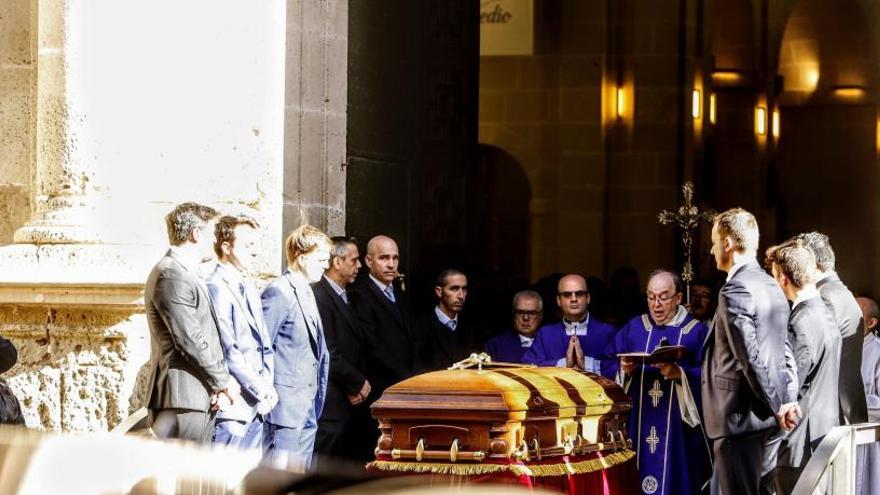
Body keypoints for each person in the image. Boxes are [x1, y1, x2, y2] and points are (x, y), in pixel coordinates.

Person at [701, 208, 796, 495]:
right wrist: (786, 400)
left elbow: (749, 358)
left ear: (728, 244)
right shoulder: (772, 285)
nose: (712, 248)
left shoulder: (735, 291)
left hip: (739, 419)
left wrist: (777, 406)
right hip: (765, 419)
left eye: (715, 241)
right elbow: (785, 351)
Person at [604, 269, 711, 495]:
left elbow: (711, 375)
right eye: (651, 297)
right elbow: (607, 362)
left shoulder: (696, 331)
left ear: (679, 298)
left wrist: (681, 374)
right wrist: (623, 370)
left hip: (678, 430)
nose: (656, 304)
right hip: (638, 423)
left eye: (663, 297)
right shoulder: (634, 328)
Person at [145, 202, 232, 443]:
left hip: (195, 396)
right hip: (182, 398)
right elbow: (189, 338)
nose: (215, 241)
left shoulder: (183, 271)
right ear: (196, 234)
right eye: (212, 233)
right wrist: (222, 382)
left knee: (195, 478)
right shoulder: (171, 273)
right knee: (184, 476)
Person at [765, 240, 840, 494]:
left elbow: (790, 384)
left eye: (774, 277)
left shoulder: (801, 321)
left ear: (784, 279)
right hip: (824, 431)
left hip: (799, 441)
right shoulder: (826, 311)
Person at [261, 224, 331, 470]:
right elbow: (262, 345)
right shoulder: (279, 291)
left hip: (307, 404)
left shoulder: (308, 291)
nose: (326, 265)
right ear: (301, 258)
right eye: (321, 259)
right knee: (279, 477)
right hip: (284, 408)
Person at [205, 215, 276, 450]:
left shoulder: (247, 284)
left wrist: (267, 385)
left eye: (256, 246)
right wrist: (259, 388)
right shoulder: (216, 286)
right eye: (248, 246)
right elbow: (228, 347)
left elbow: (264, 341)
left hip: (257, 404)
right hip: (235, 404)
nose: (255, 253)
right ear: (226, 247)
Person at [796, 231, 868, 425]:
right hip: (844, 410)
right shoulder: (843, 293)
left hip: (827, 416)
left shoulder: (824, 297)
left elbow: (809, 356)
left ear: (810, 262)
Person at [313, 236, 373, 464]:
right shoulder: (318, 295)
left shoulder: (347, 295)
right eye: (354, 260)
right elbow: (328, 350)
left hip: (349, 404)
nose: (359, 266)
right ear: (337, 262)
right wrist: (356, 383)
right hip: (331, 404)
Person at [350, 235, 415, 400]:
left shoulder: (401, 294)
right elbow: (372, 346)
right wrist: (407, 377)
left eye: (395, 258)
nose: (391, 264)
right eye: (384, 258)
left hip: (406, 388)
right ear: (368, 261)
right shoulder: (359, 295)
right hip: (380, 391)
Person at [522, 274, 616, 373]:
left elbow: (622, 367)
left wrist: (588, 364)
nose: (574, 299)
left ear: (588, 298)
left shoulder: (608, 332)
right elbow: (528, 368)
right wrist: (563, 364)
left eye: (579, 294)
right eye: (567, 295)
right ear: (558, 300)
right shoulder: (545, 334)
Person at [416, 269, 480, 371]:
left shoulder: (472, 328)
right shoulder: (419, 328)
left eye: (464, 289)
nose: (461, 296)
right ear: (439, 292)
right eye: (454, 289)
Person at [857, 296, 880, 495]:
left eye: (858, 314)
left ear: (871, 323)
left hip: (870, 442)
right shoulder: (838, 346)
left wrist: (851, 401)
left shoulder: (878, 352)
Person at [485, 290, 544, 363]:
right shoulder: (495, 345)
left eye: (531, 313)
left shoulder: (550, 342)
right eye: (520, 312)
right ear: (513, 314)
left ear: (540, 315)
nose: (525, 318)